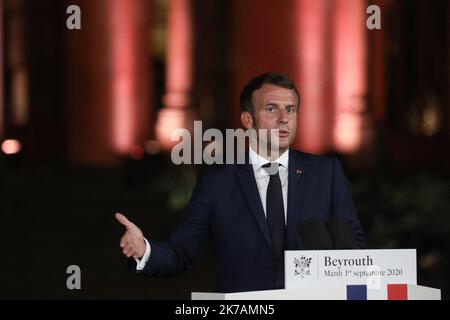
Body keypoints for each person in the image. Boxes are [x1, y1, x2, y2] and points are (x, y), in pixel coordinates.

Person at [115, 72, 366, 293]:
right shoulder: (217, 182)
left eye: (290, 109)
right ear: (247, 121)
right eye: (271, 109)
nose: (284, 118)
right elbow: (182, 253)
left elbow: (352, 248)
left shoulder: (326, 173)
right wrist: (144, 250)